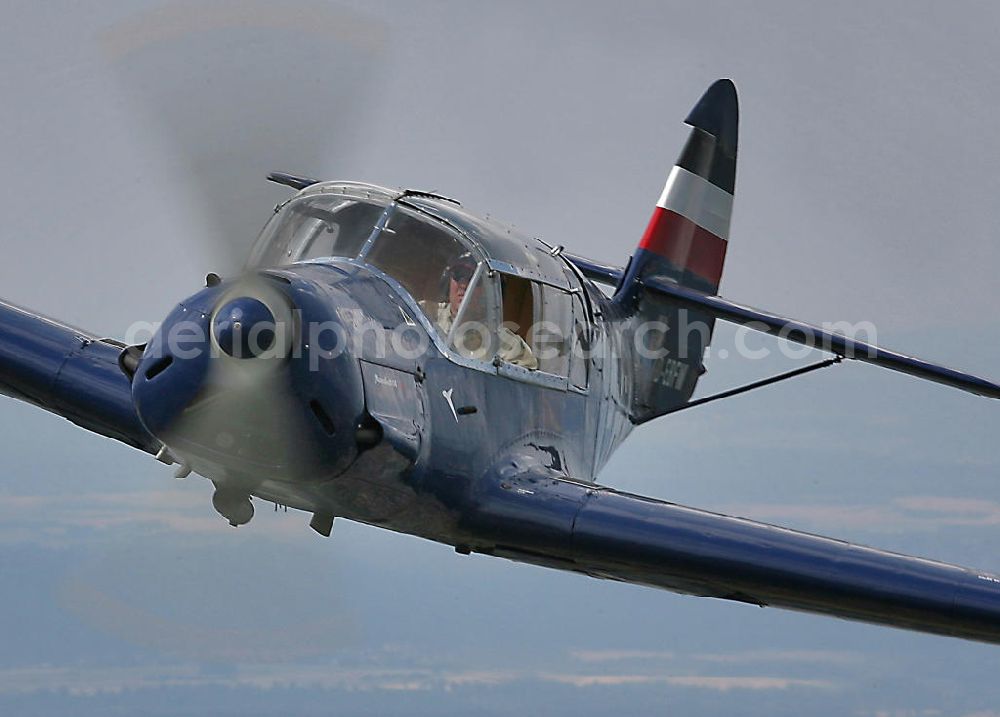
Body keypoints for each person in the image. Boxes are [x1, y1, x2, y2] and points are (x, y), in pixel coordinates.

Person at [426, 254, 538, 369]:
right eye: (458, 276)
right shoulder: (424, 313)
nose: (463, 285)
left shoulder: (508, 345)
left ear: (490, 293)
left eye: (474, 279)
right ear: (447, 281)